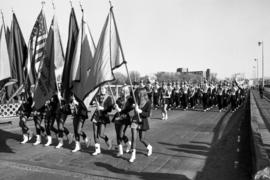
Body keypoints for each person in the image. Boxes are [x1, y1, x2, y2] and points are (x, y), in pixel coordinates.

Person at [129, 88, 152, 163]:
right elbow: (129, 102)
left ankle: (149, 147)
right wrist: (132, 106)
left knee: (142, 139)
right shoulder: (136, 100)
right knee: (133, 137)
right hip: (135, 120)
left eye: (139, 93)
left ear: (143, 94)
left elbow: (147, 114)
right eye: (137, 93)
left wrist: (140, 111)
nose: (137, 95)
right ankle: (133, 154)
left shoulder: (148, 102)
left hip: (143, 121)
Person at [91, 86, 114, 155]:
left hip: (103, 117)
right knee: (95, 134)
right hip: (96, 116)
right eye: (101, 89)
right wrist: (93, 102)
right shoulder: (97, 96)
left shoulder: (109, 97)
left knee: (101, 134)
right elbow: (91, 102)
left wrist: (103, 108)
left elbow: (110, 109)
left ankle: (108, 140)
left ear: (106, 90)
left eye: (103, 89)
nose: (102, 90)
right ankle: (97, 150)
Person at [112, 85, 133, 157]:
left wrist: (121, 110)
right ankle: (120, 151)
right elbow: (114, 106)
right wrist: (115, 106)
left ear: (127, 90)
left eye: (123, 90)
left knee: (121, 134)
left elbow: (129, 108)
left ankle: (128, 144)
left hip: (125, 118)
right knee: (118, 134)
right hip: (117, 118)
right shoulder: (119, 99)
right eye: (121, 90)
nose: (122, 91)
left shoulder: (130, 99)